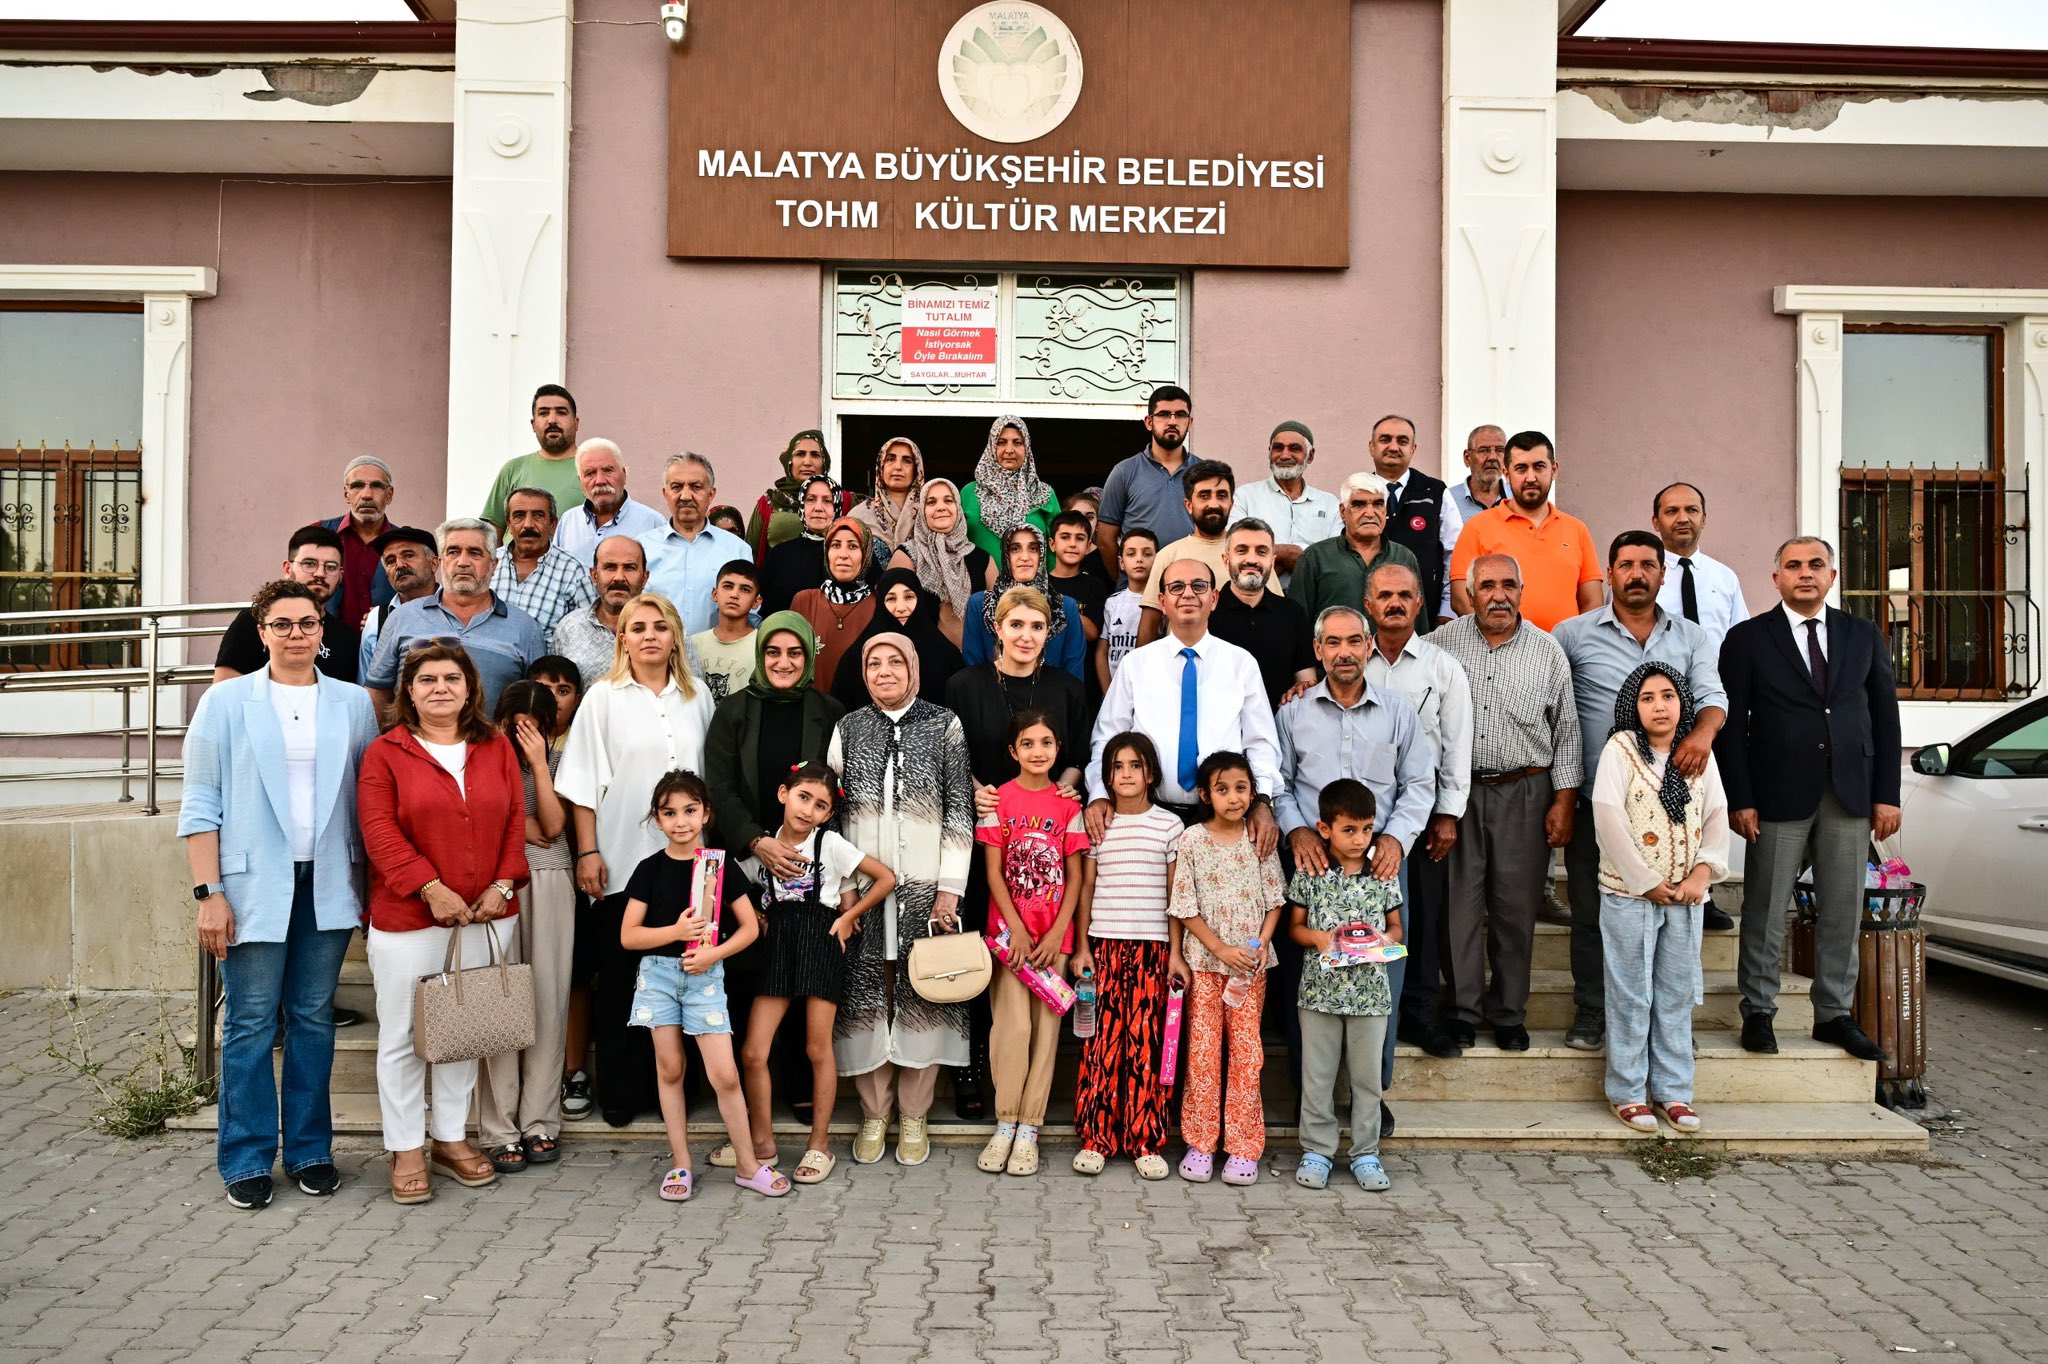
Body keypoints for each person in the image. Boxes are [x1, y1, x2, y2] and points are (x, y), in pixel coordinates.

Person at [180, 579, 380, 1210]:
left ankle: (310, 1150)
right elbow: (200, 802)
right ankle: (245, 1156)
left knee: (313, 1019)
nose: (297, 633)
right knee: (249, 1023)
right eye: (282, 623)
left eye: (308, 623)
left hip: (326, 880)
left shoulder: (352, 704)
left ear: (323, 634)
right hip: (248, 883)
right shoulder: (227, 701)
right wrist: (208, 891)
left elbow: (368, 802)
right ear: (261, 632)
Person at [1716, 537, 1900, 1062]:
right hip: (1775, 794)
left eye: (1815, 565)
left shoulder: (1862, 635)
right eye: (1793, 566)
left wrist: (1886, 795)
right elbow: (1733, 729)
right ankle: (1759, 1010)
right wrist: (1741, 797)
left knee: (1843, 908)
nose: (1804, 574)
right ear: (1775, 579)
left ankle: (1834, 1014)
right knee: (1766, 907)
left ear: (1832, 576)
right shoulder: (1747, 639)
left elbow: (1886, 719)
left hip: (1850, 794)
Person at [356, 643, 528, 1204]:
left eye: (452, 678)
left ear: (470, 687)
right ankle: (406, 1146)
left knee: (462, 1031)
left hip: (486, 915)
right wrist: (430, 888)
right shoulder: (386, 753)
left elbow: (512, 824)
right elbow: (378, 831)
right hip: (410, 917)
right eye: (426, 679)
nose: (440, 688)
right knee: (405, 1036)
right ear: (408, 690)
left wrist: (503, 885)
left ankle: (450, 1139)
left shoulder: (495, 746)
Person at [1554, 531, 1729, 1051]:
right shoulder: (1573, 633)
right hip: (1598, 800)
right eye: (1625, 564)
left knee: (1673, 917)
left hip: (1673, 803)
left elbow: (1712, 697)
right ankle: (1592, 1009)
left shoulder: (1691, 637)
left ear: (1662, 573)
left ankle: (1669, 1025)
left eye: (1647, 565)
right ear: (1609, 573)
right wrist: (1561, 795)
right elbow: (1559, 716)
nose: (1636, 574)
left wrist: (1700, 734)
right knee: (1590, 912)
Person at [1274, 603, 1436, 1135]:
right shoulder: (1293, 714)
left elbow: (1419, 784)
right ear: (1318, 651)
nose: (1344, 652)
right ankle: (1311, 1092)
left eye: (1353, 642)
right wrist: (1297, 830)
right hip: (1314, 865)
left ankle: (1373, 1092)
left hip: (1381, 866)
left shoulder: (1397, 711)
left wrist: (1395, 837)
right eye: (1332, 643)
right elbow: (1276, 781)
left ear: (1369, 647)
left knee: (1379, 978)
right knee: (1310, 974)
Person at [555, 592, 716, 1126]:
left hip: (690, 865)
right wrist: (589, 851)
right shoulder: (602, 698)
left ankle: (679, 1091)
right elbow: (581, 784)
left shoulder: (698, 698)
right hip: (624, 859)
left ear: (675, 637)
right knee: (624, 978)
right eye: (637, 627)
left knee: (685, 975)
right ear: (622, 637)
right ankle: (623, 1093)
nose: (649, 635)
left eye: (660, 627)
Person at [829, 634, 978, 1165]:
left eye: (896, 661)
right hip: (865, 895)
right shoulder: (849, 728)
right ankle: (874, 1115)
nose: (885, 671)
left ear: (913, 668)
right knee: (869, 995)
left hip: (925, 890)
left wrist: (949, 889)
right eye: (874, 663)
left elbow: (960, 811)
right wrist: (845, 890)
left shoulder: (943, 725)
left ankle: (914, 1116)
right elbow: (832, 817)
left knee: (923, 995)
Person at [1434, 554, 1583, 1052]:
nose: (1498, 595)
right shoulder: (1440, 646)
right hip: (1459, 793)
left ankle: (1509, 1012)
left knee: (1515, 908)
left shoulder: (1547, 650)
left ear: (1522, 589)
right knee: (1460, 907)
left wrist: (1564, 800)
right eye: (1487, 586)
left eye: (1508, 585)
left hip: (1527, 790)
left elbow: (1566, 734)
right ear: (1470, 593)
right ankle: (1461, 1010)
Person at [618, 769, 787, 1200]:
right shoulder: (648, 869)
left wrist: (713, 954)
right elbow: (629, 936)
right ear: (657, 819)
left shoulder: (720, 865)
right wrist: (674, 933)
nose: (680, 821)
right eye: (669, 812)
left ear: (706, 813)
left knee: (725, 1075)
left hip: (705, 976)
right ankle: (681, 1164)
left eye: (690, 811)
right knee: (670, 1067)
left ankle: (748, 1165)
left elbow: (749, 929)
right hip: (657, 976)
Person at [738, 761, 896, 1186]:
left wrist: (849, 918)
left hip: (821, 939)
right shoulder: (763, 848)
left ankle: (819, 1144)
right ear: (783, 794)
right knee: (754, 1051)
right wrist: (758, 912)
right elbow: (740, 888)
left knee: (816, 1047)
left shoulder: (830, 844)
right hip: (777, 945)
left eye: (820, 805)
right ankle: (762, 1142)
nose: (808, 810)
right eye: (803, 797)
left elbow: (885, 878)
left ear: (828, 814)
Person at [1594, 662, 1732, 1134]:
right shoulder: (1620, 750)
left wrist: (1701, 875)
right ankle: (1628, 1092)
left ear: (1682, 704)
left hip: (1686, 897)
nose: (1659, 705)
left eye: (1668, 695)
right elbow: (1608, 817)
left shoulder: (1697, 754)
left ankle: (1674, 1091)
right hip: (1630, 895)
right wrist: (1642, 878)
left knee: (1674, 994)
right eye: (1648, 697)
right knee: (1632, 994)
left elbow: (1716, 815)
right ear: (1634, 705)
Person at [1361, 563, 1474, 1061]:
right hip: (1356, 820)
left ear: (1419, 602)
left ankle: (1421, 1011)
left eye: (1405, 594)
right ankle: (1370, 1013)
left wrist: (1448, 813)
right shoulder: (1349, 658)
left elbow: (1456, 743)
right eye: (1384, 595)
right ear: (1369, 604)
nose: (1395, 603)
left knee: (1422, 917)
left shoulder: (1440, 665)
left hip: (1421, 814)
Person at [1088, 558, 1283, 846]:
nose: (1188, 594)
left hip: (1222, 818)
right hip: (1148, 814)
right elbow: (1108, 737)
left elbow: (1261, 742)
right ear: (1163, 601)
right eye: (1177, 587)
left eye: (1199, 586)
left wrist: (1262, 801)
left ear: (1214, 599)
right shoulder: (1135, 664)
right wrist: (1100, 794)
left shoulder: (1241, 663)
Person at [973, 710, 1090, 1179]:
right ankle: (1005, 1121)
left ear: (1058, 750)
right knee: (1012, 1029)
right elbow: (993, 871)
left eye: (1046, 743)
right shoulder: (999, 799)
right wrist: (1017, 929)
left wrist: (1060, 932)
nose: (1038, 751)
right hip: (1010, 940)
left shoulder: (1068, 807)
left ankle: (1030, 1129)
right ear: (1012, 751)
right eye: (1028, 743)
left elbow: (1077, 876)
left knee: (1044, 1036)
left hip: (1052, 944)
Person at [1068, 732, 1182, 1181]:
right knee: (1101, 1044)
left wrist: (1176, 953)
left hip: (1153, 949)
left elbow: (1177, 895)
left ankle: (1145, 1139)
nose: (1126, 774)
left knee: (1145, 1043)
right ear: (1107, 776)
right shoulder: (1097, 824)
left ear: (1150, 773)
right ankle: (1097, 1138)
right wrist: (1081, 946)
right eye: (1117, 767)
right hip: (1104, 946)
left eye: (1135, 766)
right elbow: (1087, 888)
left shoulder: (1170, 826)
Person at [1169, 751, 1286, 1186]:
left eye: (1241, 788)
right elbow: (1185, 906)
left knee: (1246, 1055)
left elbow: (1275, 900)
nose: (1234, 798)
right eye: (1223, 789)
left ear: (1252, 793)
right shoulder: (1192, 841)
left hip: (1249, 971)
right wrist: (1219, 948)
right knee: (1202, 1054)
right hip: (1205, 966)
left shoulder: (1258, 840)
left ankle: (1243, 1147)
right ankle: (1200, 1143)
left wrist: (1258, 946)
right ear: (1205, 795)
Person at [1287, 778, 1401, 1193]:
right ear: (1324, 829)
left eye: (1367, 829)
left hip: (1371, 995)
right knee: (1317, 1075)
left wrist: (1384, 942)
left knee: (1367, 1077)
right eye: (1349, 830)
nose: (1359, 839)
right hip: (1318, 993)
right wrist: (1320, 938)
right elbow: (1295, 928)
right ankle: (1317, 1149)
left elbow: (1396, 928)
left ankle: (1366, 1152)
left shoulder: (1383, 874)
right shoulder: (1310, 873)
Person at [477, 681, 572, 1173]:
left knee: (548, 1000)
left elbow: (553, 827)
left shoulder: (556, 764)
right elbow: (496, 824)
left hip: (552, 877)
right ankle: (497, 1127)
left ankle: (540, 1122)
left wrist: (538, 763)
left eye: (536, 728)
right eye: (518, 726)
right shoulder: (479, 755)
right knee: (499, 1004)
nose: (525, 735)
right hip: (494, 883)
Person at [703, 613, 846, 887]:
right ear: (760, 655)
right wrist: (755, 841)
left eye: (794, 653)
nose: (783, 663)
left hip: (808, 867)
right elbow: (718, 787)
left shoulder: (830, 712)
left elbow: (836, 791)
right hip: (741, 864)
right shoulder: (732, 711)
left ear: (808, 657)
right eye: (773, 652)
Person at [365, 518, 549, 714]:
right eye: (453, 552)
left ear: (494, 565)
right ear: (441, 562)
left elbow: (536, 700)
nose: (462, 562)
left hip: (492, 743)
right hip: (412, 744)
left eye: (475, 553)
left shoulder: (525, 627)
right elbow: (378, 691)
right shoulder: (401, 617)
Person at [1448, 430, 1602, 630]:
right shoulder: (1477, 528)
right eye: (1521, 468)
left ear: (1554, 470)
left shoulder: (1577, 530)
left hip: (1566, 654)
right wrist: (1498, 639)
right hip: (1499, 652)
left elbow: (1592, 603)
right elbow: (1461, 599)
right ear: (1506, 473)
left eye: (1539, 467)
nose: (1531, 477)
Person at [1138, 459, 1275, 646]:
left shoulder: (1251, 557)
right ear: (1188, 504)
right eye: (1204, 495)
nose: (1214, 504)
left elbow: (1277, 614)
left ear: (1231, 503)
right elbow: (1149, 625)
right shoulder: (1168, 555)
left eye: (1221, 495)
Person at [215, 526, 361, 685]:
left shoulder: (347, 638)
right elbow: (224, 695)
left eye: (331, 567)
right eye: (309, 563)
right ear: (287, 568)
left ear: (340, 576)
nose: (320, 573)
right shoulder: (253, 621)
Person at [1289, 472, 1422, 630]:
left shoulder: (1404, 558)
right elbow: (1296, 625)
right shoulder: (1315, 558)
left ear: (1385, 510)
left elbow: (1419, 624)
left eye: (1378, 504)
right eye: (1359, 504)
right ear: (1343, 512)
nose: (1370, 513)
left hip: (1392, 655)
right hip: (1336, 654)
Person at [1208, 519, 1316, 711]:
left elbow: (1307, 684)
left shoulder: (1293, 614)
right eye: (1241, 550)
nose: (1252, 559)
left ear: (1272, 562)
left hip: (1278, 731)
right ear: (1226, 560)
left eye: (1261, 551)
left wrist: (1303, 689)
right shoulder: (1206, 614)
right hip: (1218, 731)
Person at [640, 453, 753, 635]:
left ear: (711, 494)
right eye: (676, 487)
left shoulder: (736, 549)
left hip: (717, 659)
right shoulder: (643, 548)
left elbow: (749, 613)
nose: (685, 496)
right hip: (659, 659)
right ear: (665, 493)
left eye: (696, 487)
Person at [962, 525, 1088, 682]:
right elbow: (973, 669)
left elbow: (1074, 676)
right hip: (993, 700)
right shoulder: (981, 604)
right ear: (1006, 555)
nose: (1025, 557)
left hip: (1052, 702)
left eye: (1033, 548)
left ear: (1042, 554)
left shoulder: (1064, 607)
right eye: (1015, 549)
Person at [1371, 415, 1464, 628]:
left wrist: (1447, 608)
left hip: (1427, 615)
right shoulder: (1358, 492)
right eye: (1385, 440)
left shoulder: (1435, 491)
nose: (1393, 447)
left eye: (1402, 441)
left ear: (1413, 449)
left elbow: (1454, 553)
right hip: (1372, 613)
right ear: (1371, 447)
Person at [832, 566, 964, 711]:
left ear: (919, 599)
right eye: (891, 598)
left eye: (908, 597)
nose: (901, 607)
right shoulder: (857, 657)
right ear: (881, 603)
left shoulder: (946, 656)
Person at [1096, 384, 1196, 574]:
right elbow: (1105, 541)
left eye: (1180, 415)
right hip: (1138, 587)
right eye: (1164, 414)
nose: (1172, 422)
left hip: (1189, 584)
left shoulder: (1203, 473)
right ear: (1149, 422)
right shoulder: (1124, 472)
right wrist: (1125, 582)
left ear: (1190, 422)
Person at [1230, 421, 1341, 585]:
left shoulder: (1329, 504)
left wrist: (1273, 553)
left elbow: (1334, 557)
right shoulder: (1245, 496)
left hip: (1315, 596)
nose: (1284, 455)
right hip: (1259, 594)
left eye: (1295, 448)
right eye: (1278, 448)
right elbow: (1236, 549)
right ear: (1269, 453)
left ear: (1310, 455)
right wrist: (1291, 554)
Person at [888, 476, 994, 647]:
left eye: (948, 500)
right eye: (931, 502)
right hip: (923, 660)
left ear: (958, 508)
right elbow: (891, 614)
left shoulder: (982, 559)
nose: (941, 507)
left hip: (973, 662)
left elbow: (998, 616)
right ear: (922, 510)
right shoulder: (908, 555)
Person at [1652, 482, 1749, 652]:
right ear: (1656, 523)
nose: (1683, 519)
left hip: (1717, 677)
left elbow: (1743, 638)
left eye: (1692, 510)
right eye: (1672, 511)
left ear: (1703, 519)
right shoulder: (1639, 578)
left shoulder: (1725, 577)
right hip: (1658, 677)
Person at [491, 487, 596, 635]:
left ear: (553, 524)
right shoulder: (488, 563)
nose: (528, 524)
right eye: (519, 516)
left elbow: (588, 633)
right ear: (509, 524)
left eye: (538, 516)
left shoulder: (574, 571)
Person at [549, 534, 649, 688]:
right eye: (610, 567)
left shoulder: (667, 629)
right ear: (594, 575)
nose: (619, 577)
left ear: (644, 578)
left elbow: (689, 693)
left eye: (630, 567)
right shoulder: (569, 627)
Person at [791, 517, 879, 692]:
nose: (843, 555)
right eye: (836, 545)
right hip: (812, 713)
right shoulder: (804, 601)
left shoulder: (878, 605)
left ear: (866, 554)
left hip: (860, 715)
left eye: (853, 546)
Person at [482, 384, 585, 532]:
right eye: (543, 413)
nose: (552, 420)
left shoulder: (593, 470)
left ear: (576, 423)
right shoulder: (513, 468)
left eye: (561, 413)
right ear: (533, 424)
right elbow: (491, 533)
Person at [553, 438, 667, 567]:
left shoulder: (653, 523)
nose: (600, 481)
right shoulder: (569, 521)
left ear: (624, 475)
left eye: (608, 470)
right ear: (580, 482)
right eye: (590, 473)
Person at [962, 414, 1061, 561]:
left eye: (1017, 443)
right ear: (991, 448)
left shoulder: (1044, 494)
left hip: (1032, 584)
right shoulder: (969, 492)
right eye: (1001, 442)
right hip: (980, 583)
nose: (1009, 450)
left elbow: (1057, 548)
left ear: (1027, 448)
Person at [747, 429, 852, 563]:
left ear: (824, 462)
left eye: (815, 455)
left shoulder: (842, 500)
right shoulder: (769, 501)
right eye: (800, 454)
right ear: (788, 461)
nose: (807, 462)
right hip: (778, 579)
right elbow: (750, 555)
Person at [319, 456, 396, 627]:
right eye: (357, 486)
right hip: (326, 646)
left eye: (376, 486)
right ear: (346, 494)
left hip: (387, 648)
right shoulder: (318, 535)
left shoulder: (404, 544)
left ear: (389, 495)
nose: (367, 495)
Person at [357, 526, 438, 680]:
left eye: (408, 555)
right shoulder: (377, 619)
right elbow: (366, 684)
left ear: (434, 563)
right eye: (390, 561)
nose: (399, 565)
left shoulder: (456, 610)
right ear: (387, 575)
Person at [758, 474, 842, 617]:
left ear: (837, 507)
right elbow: (765, 610)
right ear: (801, 505)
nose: (818, 508)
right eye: (811, 500)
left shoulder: (851, 554)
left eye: (827, 501)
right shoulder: (779, 555)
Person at [690, 560, 761, 702]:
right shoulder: (693, 643)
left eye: (745, 589)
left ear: (756, 602)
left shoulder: (762, 645)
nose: (734, 594)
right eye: (728, 586)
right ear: (715, 593)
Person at [1095, 527, 1155, 694]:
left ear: (1158, 560)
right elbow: (1102, 651)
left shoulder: (1163, 603)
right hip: (1116, 690)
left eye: (1147, 554)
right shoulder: (1113, 603)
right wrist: (1109, 694)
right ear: (1121, 562)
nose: (1139, 559)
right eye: (1131, 554)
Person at [849, 435, 924, 569]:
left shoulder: (929, 514)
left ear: (917, 469)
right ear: (880, 467)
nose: (898, 467)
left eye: (907, 461)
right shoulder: (858, 517)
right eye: (890, 459)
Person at [1047, 509, 1109, 647]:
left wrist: (1058, 603)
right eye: (1065, 537)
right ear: (1052, 544)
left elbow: (1092, 634)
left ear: (1088, 547)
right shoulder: (1039, 584)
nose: (1073, 544)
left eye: (1080, 538)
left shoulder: (1095, 586)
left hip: (1080, 665)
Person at [1447, 424, 1508, 525]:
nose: (1493, 457)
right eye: (1483, 450)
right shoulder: (1449, 500)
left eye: (1500, 450)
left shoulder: (1517, 498)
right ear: (1467, 458)